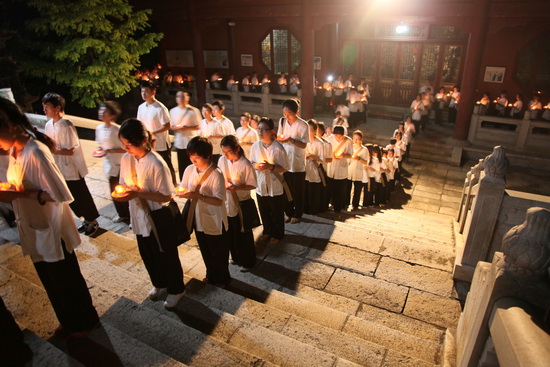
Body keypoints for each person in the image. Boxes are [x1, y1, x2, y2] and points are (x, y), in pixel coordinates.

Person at [0, 97, 99, 340]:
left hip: (52, 230)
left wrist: (23, 193)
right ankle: (67, 320)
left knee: (66, 280)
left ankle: (84, 322)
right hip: (33, 226)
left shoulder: (36, 152)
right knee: (50, 281)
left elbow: (60, 193)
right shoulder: (14, 151)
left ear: (10, 125)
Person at [116, 118, 186, 309]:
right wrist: (122, 192)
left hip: (158, 216)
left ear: (140, 141)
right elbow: (123, 182)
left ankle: (176, 289)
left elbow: (165, 195)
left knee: (166, 254)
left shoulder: (156, 163)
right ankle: (159, 282)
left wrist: (137, 192)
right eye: (122, 145)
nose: (125, 149)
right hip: (138, 215)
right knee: (147, 251)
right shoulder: (126, 159)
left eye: (128, 145)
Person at [42, 92, 100, 236]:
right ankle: (84, 219)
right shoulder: (49, 125)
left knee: (81, 193)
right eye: (43, 107)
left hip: (72, 167)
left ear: (57, 108)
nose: (44, 110)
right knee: (70, 195)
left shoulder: (66, 125)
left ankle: (92, 220)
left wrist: (53, 150)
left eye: (47, 107)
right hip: (59, 166)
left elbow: (70, 150)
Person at [178, 136, 231, 287]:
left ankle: (222, 279)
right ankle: (210, 275)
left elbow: (219, 200)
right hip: (197, 218)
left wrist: (198, 196)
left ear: (207, 156)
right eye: (191, 157)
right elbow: (184, 187)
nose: (192, 161)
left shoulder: (216, 174)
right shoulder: (189, 170)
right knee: (205, 251)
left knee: (218, 252)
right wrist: (183, 193)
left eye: (196, 158)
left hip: (214, 220)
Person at [219, 135, 258, 272]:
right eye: (224, 152)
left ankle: (248, 261)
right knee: (230, 232)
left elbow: (253, 185)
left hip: (241, 203)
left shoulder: (245, 164)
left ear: (237, 149)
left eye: (229, 152)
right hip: (227, 203)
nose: (226, 155)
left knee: (243, 233)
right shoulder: (222, 161)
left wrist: (238, 188)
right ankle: (235, 257)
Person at [250, 118, 289, 244]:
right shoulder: (255, 146)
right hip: (261, 183)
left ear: (272, 131)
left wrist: (270, 167)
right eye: (259, 129)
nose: (260, 132)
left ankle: (277, 234)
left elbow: (285, 168)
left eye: (264, 129)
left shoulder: (278, 148)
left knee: (276, 211)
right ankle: (267, 231)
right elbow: (251, 162)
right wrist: (257, 166)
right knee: (263, 209)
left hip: (274, 183)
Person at [137, 81, 177, 185]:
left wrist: (153, 132)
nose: (143, 94)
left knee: (166, 164)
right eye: (142, 91)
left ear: (153, 92)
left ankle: (172, 184)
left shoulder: (160, 108)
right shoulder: (141, 107)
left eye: (146, 91)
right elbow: (139, 123)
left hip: (160, 143)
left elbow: (167, 125)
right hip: (147, 143)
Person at [96, 101, 129, 223]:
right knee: (113, 191)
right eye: (101, 110)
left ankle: (129, 215)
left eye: (105, 111)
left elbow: (126, 148)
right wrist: (100, 151)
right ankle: (122, 214)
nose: (101, 113)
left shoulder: (117, 130)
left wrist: (110, 150)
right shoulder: (99, 128)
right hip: (109, 164)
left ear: (112, 115)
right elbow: (101, 145)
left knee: (124, 191)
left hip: (120, 165)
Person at [277, 99, 309, 224]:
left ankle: (297, 213)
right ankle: (288, 212)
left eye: (289, 114)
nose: (286, 116)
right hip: (285, 160)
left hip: (297, 163)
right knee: (286, 188)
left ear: (296, 112)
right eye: (284, 113)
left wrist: (292, 140)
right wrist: (282, 140)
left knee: (297, 190)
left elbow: (303, 145)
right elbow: (280, 136)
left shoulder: (303, 125)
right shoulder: (282, 121)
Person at [170, 91, 201, 180]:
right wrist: (176, 127)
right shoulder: (173, 111)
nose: (181, 99)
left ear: (187, 98)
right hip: (179, 142)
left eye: (183, 97)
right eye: (179, 97)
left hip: (190, 142)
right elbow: (171, 126)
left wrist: (187, 127)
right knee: (181, 165)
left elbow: (198, 126)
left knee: (192, 164)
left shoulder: (193, 111)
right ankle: (183, 184)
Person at [327, 126, 352, 213]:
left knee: (340, 188)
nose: (339, 137)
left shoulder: (348, 141)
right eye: (337, 135)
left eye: (341, 136)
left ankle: (338, 207)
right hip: (331, 166)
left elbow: (350, 154)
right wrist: (332, 154)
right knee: (330, 187)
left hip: (342, 167)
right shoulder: (329, 139)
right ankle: (330, 204)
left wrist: (344, 155)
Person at [304, 119, 325, 215]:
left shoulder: (319, 143)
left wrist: (312, 156)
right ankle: (305, 209)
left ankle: (313, 210)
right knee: (305, 190)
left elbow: (322, 158)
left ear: (315, 130)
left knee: (314, 191)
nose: (308, 132)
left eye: (310, 130)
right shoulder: (304, 140)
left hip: (315, 169)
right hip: (304, 168)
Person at [347, 130, 369, 210]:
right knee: (347, 187)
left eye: (357, 139)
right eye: (354, 138)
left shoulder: (364, 150)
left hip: (359, 170)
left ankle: (355, 204)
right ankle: (346, 203)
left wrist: (359, 158)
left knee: (357, 189)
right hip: (349, 169)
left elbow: (366, 161)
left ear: (361, 139)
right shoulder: (350, 147)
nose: (355, 140)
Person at [317, 122, 332, 212]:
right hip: (310, 170)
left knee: (322, 188)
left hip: (322, 169)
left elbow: (330, 159)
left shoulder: (327, 144)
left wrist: (319, 159)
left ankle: (322, 207)